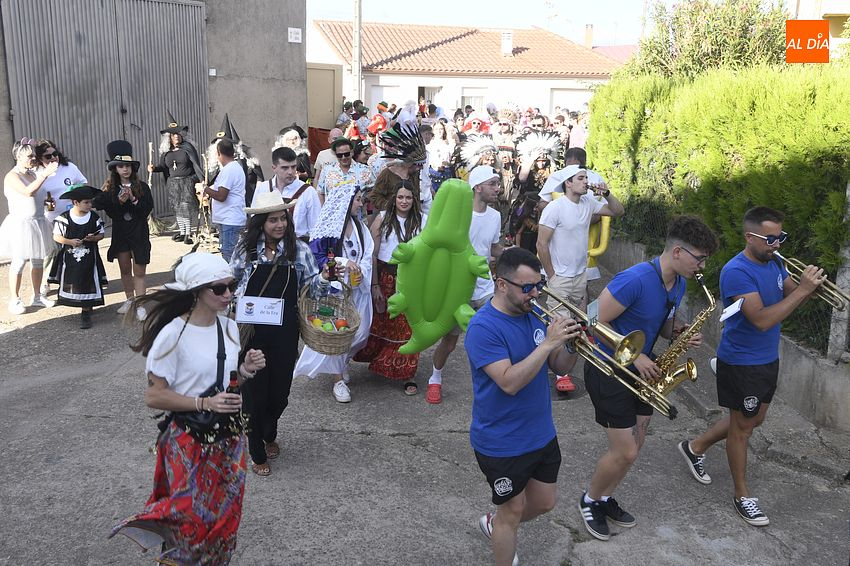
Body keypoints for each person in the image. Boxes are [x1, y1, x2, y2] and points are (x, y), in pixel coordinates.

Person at [110, 252, 266, 564]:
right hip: (188, 441)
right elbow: (155, 397)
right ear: (196, 292)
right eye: (219, 289)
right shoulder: (172, 335)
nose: (229, 294)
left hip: (229, 440)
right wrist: (205, 403)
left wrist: (246, 370)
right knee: (190, 519)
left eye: (231, 286)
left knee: (225, 516)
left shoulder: (231, 329)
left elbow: (223, 382)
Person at [679, 207, 824, 527]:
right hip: (741, 361)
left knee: (752, 419)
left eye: (781, 237)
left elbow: (792, 296)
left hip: (766, 359)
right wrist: (802, 291)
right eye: (771, 238)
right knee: (743, 427)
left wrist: (809, 288)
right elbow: (761, 319)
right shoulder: (736, 271)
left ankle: (695, 446)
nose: (778, 244)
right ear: (750, 237)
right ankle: (742, 495)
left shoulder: (776, 262)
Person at [578, 215, 718, 541]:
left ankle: (603, 498)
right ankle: (588, 500)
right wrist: (635, 355)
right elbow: (593, 321)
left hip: (645, 370)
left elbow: (661, 322)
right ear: (679, 252)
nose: (702, 266)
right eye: (700, 259)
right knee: (624, 451)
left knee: (636, 445)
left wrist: (680, 332)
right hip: (609, 368)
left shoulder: (679, 282)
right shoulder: (636, 278)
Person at [466, 247, 581, 566]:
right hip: (501, 441)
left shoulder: (534, 314)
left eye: (539, 286)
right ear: (501, 284)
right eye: (527, 287)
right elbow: (509, 382)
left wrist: (570, 343)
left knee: (545, 502)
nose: (535, 294)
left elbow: (560, 366)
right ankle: (501, 524)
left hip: (541, 433)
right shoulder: (483, 328)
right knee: (513, 511)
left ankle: (497, 521)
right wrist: (547, 344)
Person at [229, 192, 331, 476]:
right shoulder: (246, 249)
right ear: (261, 222)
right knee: (253, 393)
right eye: (272, 220)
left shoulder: (298, 250)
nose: (279, 225)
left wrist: (325, 278)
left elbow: (312, 290)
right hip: (251, 332)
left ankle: (268, 429)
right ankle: (257, 450)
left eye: (282, 218)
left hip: (286, 330)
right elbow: (230, 281)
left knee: (280, 394)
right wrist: (235, 303)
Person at [536, 164, 624, 392]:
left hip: (579, 276)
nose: (586, 181)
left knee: (577, 323)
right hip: (561, 279)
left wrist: (606, 193)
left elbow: (617, 211)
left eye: (586, 178)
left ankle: (563, 366)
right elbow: (541, 243)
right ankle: (557, 373)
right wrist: (552, 276)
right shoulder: (555, 208)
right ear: (568, 183)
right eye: (581, 178)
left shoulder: (588, 203)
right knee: (559, 325)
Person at [426, 166, 505, 405]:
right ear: (477, 187)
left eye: (498, 184)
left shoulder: (495, 216)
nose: (498, 189)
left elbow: (492, 248)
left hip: (484, 288)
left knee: (493, 337)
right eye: (493, 184)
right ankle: (435, 380)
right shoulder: (459, 215)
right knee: (449, 342)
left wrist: (510, 254)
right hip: (457, 290)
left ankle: (497, 382)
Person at [295, 183, 374, 403]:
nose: (361, 203)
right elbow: (318, 257)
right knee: (339, 334)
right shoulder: (328, 228)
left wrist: (362, 269)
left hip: (357, 287)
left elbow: (368, 252)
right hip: (336, 290)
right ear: (346, 202)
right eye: (358, 199)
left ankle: (341, 362)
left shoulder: (360, 226)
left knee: (361, 332)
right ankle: (337, 379)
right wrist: (342, 262)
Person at [353, 182, 426, 395]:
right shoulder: (382, 219)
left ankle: (407, 374)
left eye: (408, 198)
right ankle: (378, 360)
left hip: (411, 280)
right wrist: (375, 284)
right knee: (382, 321)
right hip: (386, 277)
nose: (404, 201)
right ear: (394, 199)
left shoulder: (423, 221)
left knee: (408, 325)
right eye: (400, 197)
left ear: (414, 201)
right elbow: (373, 254)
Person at [97, 141, 154, 321]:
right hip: (121, 233)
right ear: (115, 169)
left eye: (128, 166)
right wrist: (120, 202)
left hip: (138, 232)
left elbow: (147, 209)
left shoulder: (142, 186)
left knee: (140, 271)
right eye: (121, 166)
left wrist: (134, 200)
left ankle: (140, 303)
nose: (125, 170)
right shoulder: (110, 189)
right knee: (124, 269)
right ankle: (129, 300)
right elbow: (110, 212)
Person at [0, 139, 57, 314]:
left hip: (38, 221)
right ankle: (15, 299)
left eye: (34, 155)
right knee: (19, 261)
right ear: (19, 157)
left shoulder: (33, 174)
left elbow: (39, 193)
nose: (33, 158)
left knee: (38, 260)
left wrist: (48, 201)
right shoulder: (12, 176)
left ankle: (37, 296)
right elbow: (28, 192)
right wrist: (45, 174)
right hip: (21, 224)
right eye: (29, 156)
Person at [49, 185, 108, 329]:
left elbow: (101, 233)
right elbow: (57, 236)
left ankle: (86, 310)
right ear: (75, 202)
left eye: (90, 202)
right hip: (70, 258)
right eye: (86, 202)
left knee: (87, 279)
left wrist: (94, 238)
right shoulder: (64, 217)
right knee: (75, 279)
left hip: (90, 258)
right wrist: (70, 242)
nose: (90, 205)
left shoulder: (93, 217)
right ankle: (80, 303)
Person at [33, 139, 87, 295]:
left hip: (71, 215)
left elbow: (83, 183)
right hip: (50, 217)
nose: (53, 158)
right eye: (47, 156)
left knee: (73, 249)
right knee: (51, 251)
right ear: (39, 159)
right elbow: (33, 193)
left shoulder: (69, 167)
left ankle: (72, 280)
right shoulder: (37, 173)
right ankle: (46, 282)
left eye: (55, 154)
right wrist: (45, 201)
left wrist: (75, 193)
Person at [148, 111, 204, 244]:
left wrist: (202, 181)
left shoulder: (187, 148)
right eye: (173, 134)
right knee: (177, 207)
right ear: (169, 137)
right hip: (173, 183)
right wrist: (154, 168)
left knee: (185, 207)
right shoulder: (166, 152)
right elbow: (163, 167)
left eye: (178, 134)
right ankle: (182, 231)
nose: (176, 136)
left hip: (187, 181)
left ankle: (188, 233)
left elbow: (196, 165)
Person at [250, 146, 320, 242]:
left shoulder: (308, 192)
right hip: (267, 248)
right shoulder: (263, 188)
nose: (290, 172)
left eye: (293, 167)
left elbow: (315, 228)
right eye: (285, 168)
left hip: (298, 248)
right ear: (274, 168)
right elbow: (254, 221)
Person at [198, 139, 246, 263]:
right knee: (229, 252)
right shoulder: (233, 168)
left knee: (229, 255)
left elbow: (221, 196)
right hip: (229, 219)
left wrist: (205, 189)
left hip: (230, 220)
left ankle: (233, 280)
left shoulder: (229, 170)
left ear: (219, 153)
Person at [369, 123, 431, 215]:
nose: (420, 168)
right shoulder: (387, 173)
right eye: (418, 165)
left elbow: (416, 196)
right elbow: (374, 197)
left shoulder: (414, 174)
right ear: (409, 163)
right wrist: (392, 207)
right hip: (390, 218)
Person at [315, 137, 372, 206]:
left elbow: (374, 191)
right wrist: (322, 211)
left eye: (346, 154)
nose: (343, 157)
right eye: (339, 155)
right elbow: (320, 192)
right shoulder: (327, 169)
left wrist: (362, 200)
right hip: (333, 215)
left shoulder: (365, 170)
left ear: (352, 152)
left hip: (357, 215)